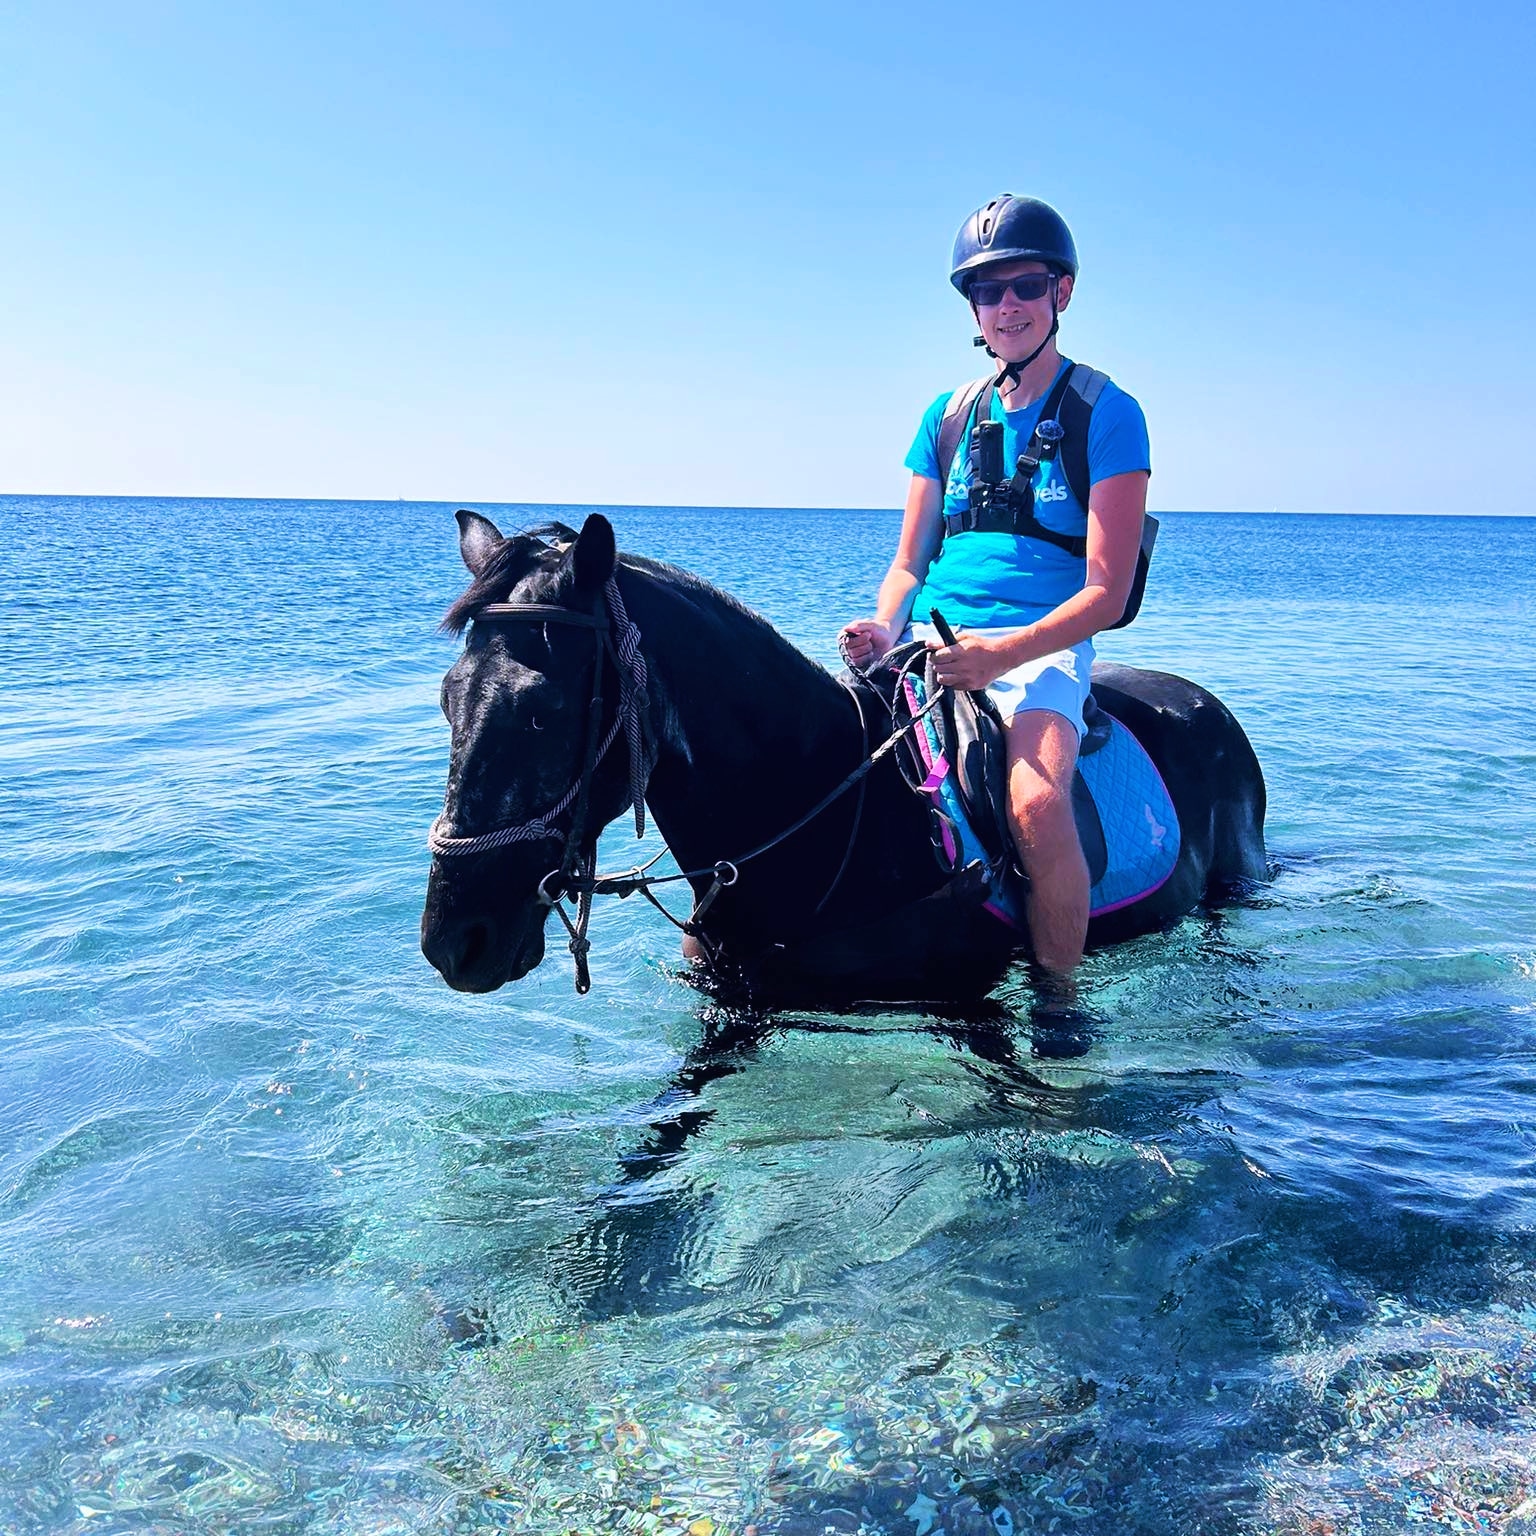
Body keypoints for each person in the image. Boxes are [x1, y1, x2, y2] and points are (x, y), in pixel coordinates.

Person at [839, 194, 1151, 978]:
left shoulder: (1108, 415)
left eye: (1024, 287)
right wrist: (884, 628)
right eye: (988, 290)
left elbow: (1106, 593)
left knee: (1036, 807)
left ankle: (1059, 1000)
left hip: (1040, 650)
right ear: (973, 307)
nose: (1006, 306)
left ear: (1061, 294)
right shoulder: (945, 418)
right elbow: (910, 563)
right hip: (930, 645)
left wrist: (1001, 655)